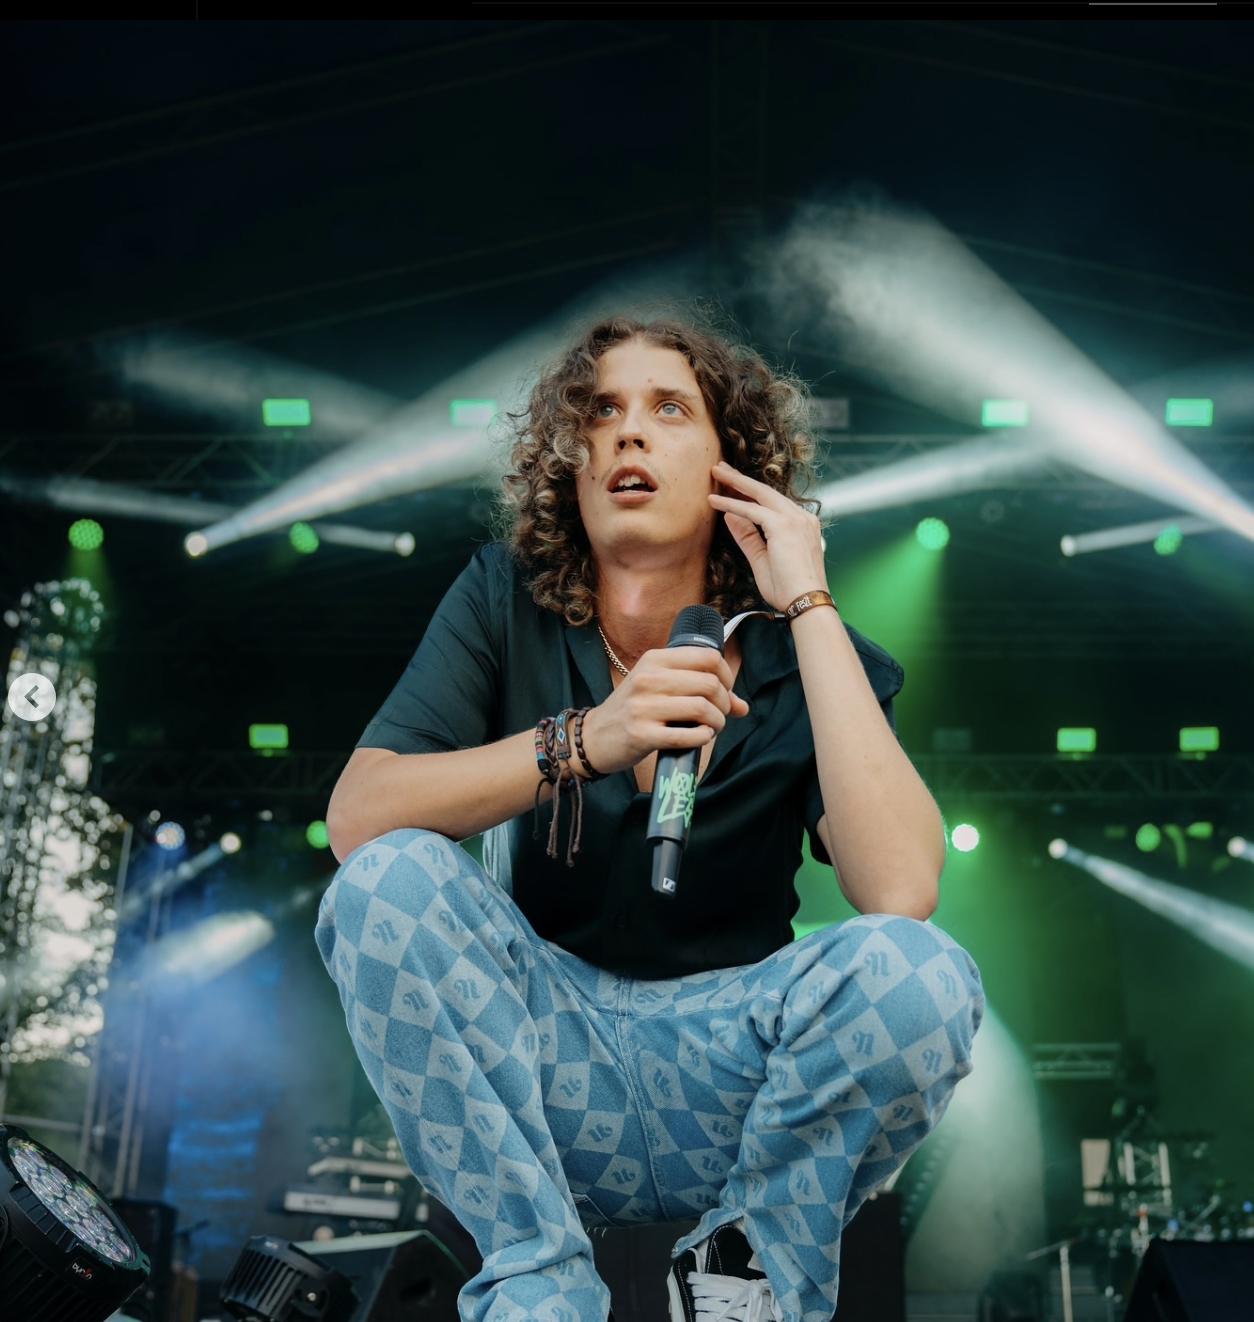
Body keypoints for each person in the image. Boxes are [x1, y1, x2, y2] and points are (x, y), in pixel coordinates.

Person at [316, 314, 983, 1322]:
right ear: (572, 467)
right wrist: (589, 737)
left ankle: (739, 1287)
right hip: (543, 1065)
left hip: (736, 1080)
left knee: (921, 972)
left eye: (669, 408)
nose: (627, 430)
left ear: (730, 467)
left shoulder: (810, 654)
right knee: (387, 881)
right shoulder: (501, 598)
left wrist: (808, 602)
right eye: (600, 411)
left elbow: (901, 889)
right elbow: (358, 817)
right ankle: (539, 1289)